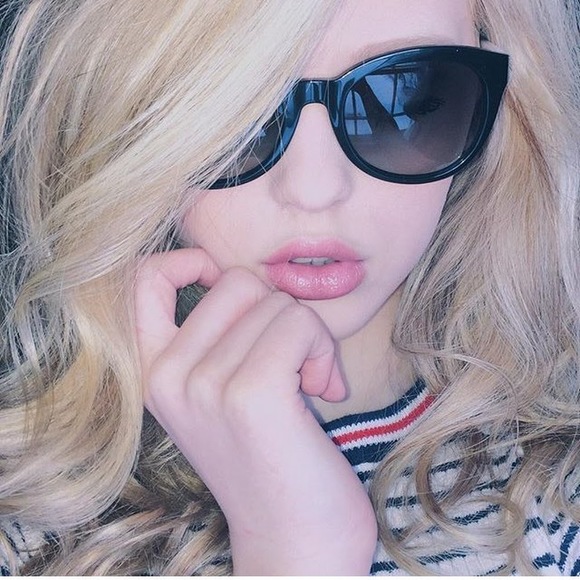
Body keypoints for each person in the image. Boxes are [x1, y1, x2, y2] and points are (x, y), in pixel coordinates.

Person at [0, 0, 579, 575]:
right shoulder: (26, 528)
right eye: (235, 110)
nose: (314, 189)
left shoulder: (561, 501)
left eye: (403, 99)